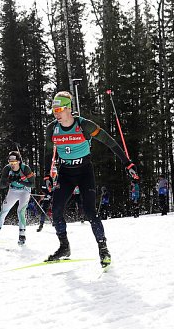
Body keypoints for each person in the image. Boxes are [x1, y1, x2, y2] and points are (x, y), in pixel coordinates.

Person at [43, 91, 138, 267]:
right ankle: (64, 247)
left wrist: (128, 163)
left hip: (84, 172)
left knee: (89, 211)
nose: (57, 113)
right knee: (56, 210)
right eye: (54, 110)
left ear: (69, 109)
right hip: (65, 173)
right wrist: (47, 175)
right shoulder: (52, 129)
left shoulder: (84, 125)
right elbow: (49, 152)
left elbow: (109, 141)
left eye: (60, 109)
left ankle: (103, 249)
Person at [0, 151, 35, 246]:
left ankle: (22, 235)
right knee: (4, 210)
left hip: (25, 191)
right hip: (13, 191)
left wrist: (20, 181)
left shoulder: (25, 168)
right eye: (10, 162)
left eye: (14, 163)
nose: (12, 165)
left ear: (19, 162)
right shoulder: (7, 169)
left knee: (20, 211)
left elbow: (32, 184)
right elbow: (2, 185)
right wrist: (8, 180)